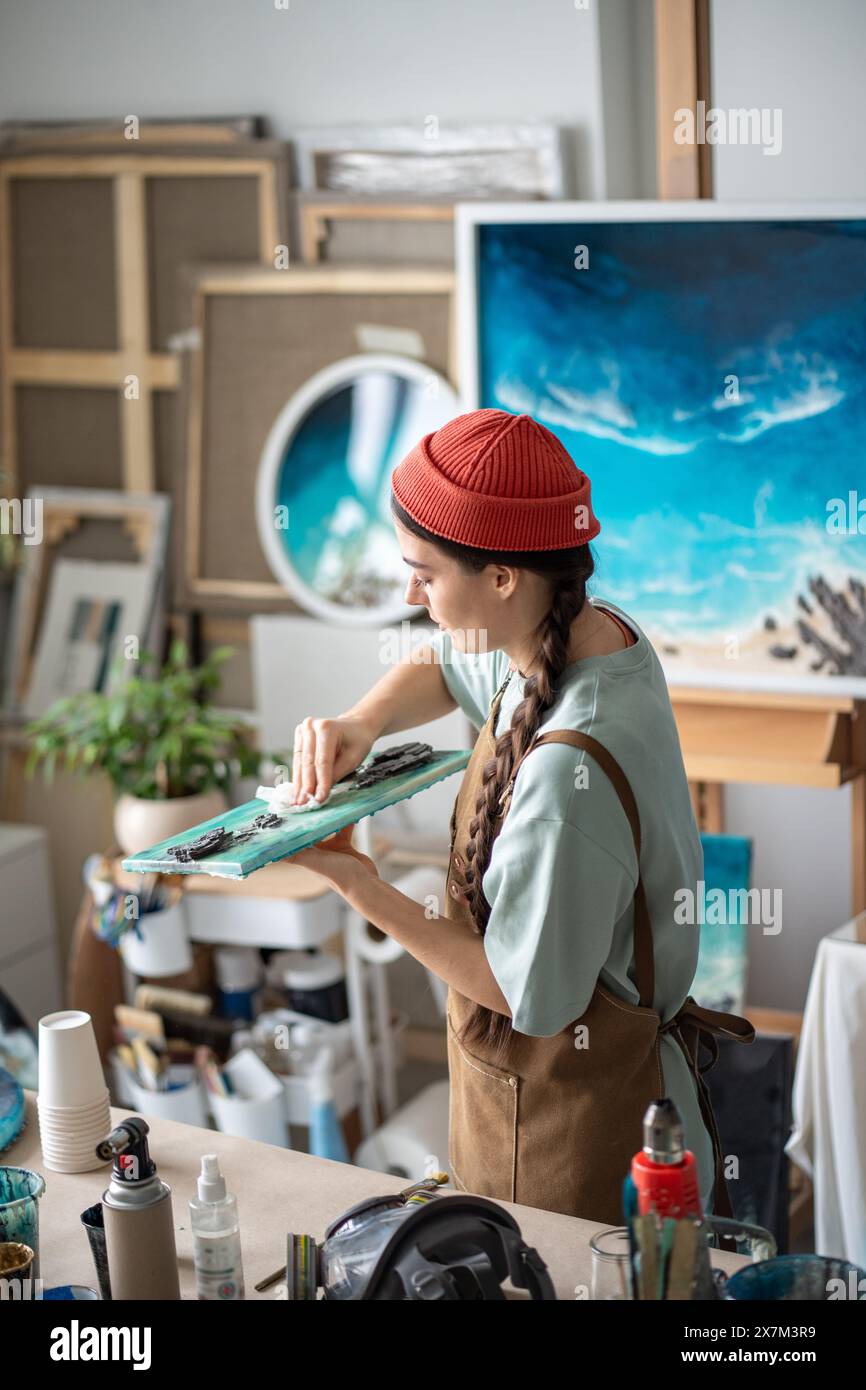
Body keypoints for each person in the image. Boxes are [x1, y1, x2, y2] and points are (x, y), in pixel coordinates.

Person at [289, 408, 754, 1223]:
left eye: (425, 574)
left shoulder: (562, 781)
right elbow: (446, 659)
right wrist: (361, 723)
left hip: (578, 1144)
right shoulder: (588, 636)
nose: (410, 593)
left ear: (502, 576)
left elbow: (518, 990)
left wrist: (358, 885)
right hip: (568, 1102)